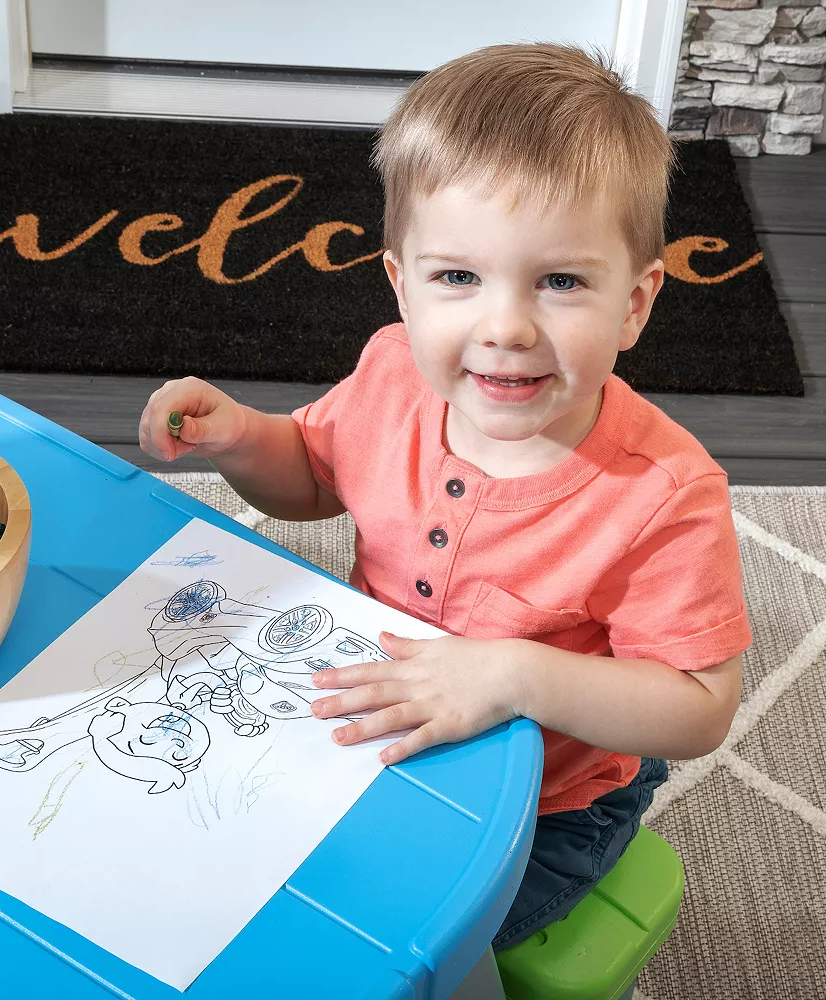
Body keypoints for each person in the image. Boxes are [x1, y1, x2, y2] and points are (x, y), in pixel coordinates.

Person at [138, 43, 752, 951]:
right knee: (208, 863)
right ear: (402, 283)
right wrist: (241, 441)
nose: (504, 327)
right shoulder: (393, 373)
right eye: (457, 277)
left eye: (561, 281)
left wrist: (513, 674)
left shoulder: (664, 493)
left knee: (385, 937)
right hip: (382, 716)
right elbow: (311, 477)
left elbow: (699, 708)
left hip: (549, 805)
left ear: (635, 302)